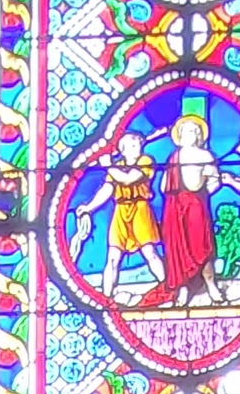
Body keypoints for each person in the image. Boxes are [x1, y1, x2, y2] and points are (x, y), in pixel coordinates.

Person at [73, 131, 161, 302]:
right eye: (132, 145)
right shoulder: (117, 166)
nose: (137, 148)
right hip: (120, 211)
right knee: (113, 256)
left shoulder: (145, 161)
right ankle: (106, 298)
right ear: (123, 150)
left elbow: (128, 179)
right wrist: (89, 208)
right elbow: (107, 189)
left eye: (138, 144)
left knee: (149, 252)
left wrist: (108, 165)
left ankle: (167, 287)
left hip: (140, 208)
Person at [157, 107, 220, 306]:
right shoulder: (173, 158)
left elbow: (215, 180)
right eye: (185, 131)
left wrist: (204, 194)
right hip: (175, 207)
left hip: (196, 204)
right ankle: (183, 288)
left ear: (199, 135)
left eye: (193, 131)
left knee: (202, 245)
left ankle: (211, 284)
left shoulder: (205, 156)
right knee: (178, 248)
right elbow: (163, 185)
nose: (189, 135)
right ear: (180, 136)